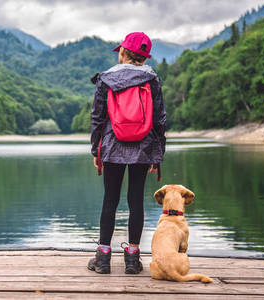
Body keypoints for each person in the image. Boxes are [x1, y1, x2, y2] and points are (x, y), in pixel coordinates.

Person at [87, 32, 166, 274]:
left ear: (123, 53)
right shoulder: (152, 79)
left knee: (109, 201)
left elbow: (97, 118)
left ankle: (102, 259)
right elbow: (159, 119)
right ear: (144, 57)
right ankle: (132, 259)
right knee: (136, 202)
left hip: (112, 146)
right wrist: (157, 154)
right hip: (143, 147)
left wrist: (95, 150)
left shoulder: (106, 79)